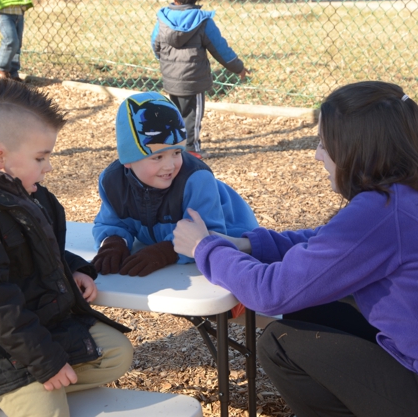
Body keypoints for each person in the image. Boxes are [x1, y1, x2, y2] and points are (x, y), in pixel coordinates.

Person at [172, 81, 418, 416]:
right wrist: (248, 244)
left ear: (357, 150)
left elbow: (271, 292)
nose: (317, 154)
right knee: (311, 312)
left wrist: (205, 247)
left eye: (324, 143)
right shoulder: (403, 193)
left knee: (280, 344)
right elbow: (327, 242)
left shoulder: (382, 210)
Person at [0, 78, 133, 417]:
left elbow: (44, 248)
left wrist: (74, 267)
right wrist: (48, 364)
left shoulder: (23, 192)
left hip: (36, 329)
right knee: (50, 412)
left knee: (117, 353)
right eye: (41, 157)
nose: (48, 167)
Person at [91, 91, 258, 320]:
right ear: (128, 160)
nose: (169, 165)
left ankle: (240, 301)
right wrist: (113, 241)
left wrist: (167, 251)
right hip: (178, 253)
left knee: (225, 296)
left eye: (177, 152)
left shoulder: (196, 179)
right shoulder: (112, 182)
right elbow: (112, 221)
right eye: (157, 157)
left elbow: (209, 235)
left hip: (236, 239)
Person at [151, 0, 248, 160]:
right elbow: (220, 49)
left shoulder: (163, 18)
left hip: (171, 78)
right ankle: (191, 148)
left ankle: (175, 147)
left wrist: (166, 62)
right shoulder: (203, 21)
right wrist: (238, 67)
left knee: (176, 113)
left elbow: (155, 44)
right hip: (193, 80)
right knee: (193, 116)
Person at [0, 0, 33, 81]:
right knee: (11, 40)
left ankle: (13, 73)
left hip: (18, 10)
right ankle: (1, 68)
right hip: (2, 9)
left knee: (17, 44)